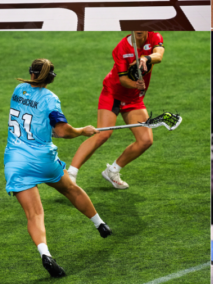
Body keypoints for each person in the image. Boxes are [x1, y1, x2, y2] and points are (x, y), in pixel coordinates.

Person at [1, 60, 111, 278]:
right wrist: (82, 131)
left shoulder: (18, 89)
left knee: (34, 214)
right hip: (42, 160)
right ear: (51, 78)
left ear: (31, 75)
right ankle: (101, 225)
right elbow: (62, 131)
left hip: (15, 161)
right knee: (70, 189)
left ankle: (45, 254)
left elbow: (32, 123)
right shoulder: (50, 99)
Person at [68, 31, 164, 189]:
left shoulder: (155, 37)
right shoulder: (121, 48)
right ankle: (70, 174)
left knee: (145, 141)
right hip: (113, 93)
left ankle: (112, 171)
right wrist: (135, 85)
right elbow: (123, 79)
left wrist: (146, 58)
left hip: (134, 99)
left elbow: (158, 56)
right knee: (103, 133)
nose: (139, 29)